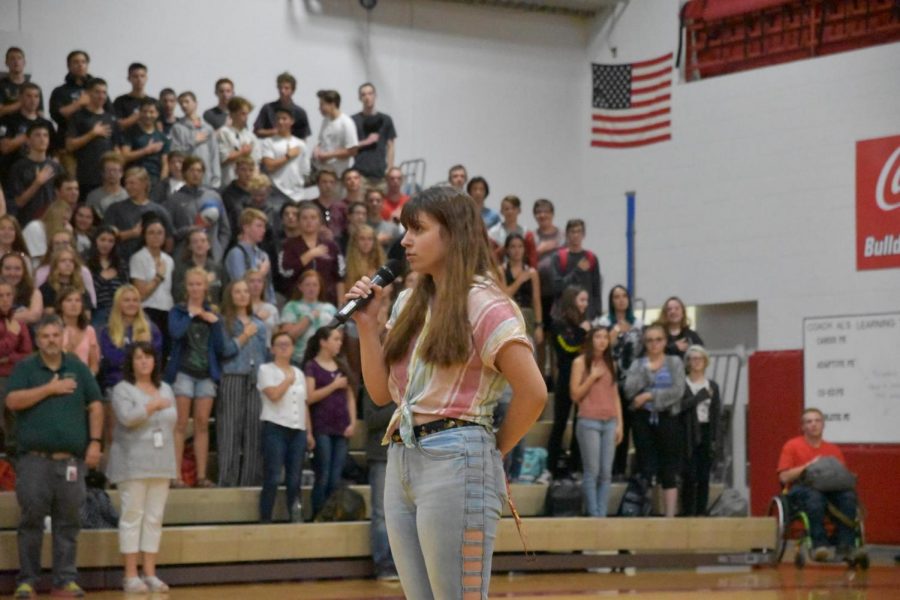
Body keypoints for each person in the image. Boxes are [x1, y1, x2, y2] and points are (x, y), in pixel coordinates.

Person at [345, 185, 545, 599]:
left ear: (452, 234)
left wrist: (491, 451)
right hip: (402, 456)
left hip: (457, 457)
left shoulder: (487, 304)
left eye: (417, 228)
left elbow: (534, 393)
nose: (404, 240)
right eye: (405, 229)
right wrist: (367, 327)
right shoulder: (407, 304)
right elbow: (382, 394)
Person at [6, 314, 104, 600]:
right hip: (34, 460)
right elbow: (12, 401)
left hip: (72, 461)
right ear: (37, 340)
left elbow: (96, 405)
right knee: (31, 521)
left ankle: (64, 580)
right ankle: (27, 581)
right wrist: (50, 388)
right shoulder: (26, 368)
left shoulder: (77, 367)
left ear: (63, 336)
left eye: (55, 335)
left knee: (69, 522)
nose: (51, 340)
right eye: (45, 336)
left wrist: (95, 443)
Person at [106, 341, 177, 594]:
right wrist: (151, 406)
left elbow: (172, 421)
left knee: (154, 517)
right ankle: (130, 575)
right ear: (131, 363)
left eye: (148, 357)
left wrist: (156, 407)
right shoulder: (122, 389)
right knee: (132, 516)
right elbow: (127, 418)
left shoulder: (166, 388)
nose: (144, 361)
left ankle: (149, 573)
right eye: (138, 358)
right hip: (132, 463)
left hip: (161, 462)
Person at [165, 267, 232, 488]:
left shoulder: (214, 314)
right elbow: (175, 333)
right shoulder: (178, 311)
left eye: (198, 284)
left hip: (206, 374)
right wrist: (193, 314)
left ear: (205, 287)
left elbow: (221, 348)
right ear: (186, 287)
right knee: (181, 424)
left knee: (202, 424)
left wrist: (215, 324)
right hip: (183, 371)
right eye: (191, 284)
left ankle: (202, 476)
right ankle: (175, 475)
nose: (195, 288)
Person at [777, 408, 863, 562]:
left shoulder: (833, 449)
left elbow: (841, 477)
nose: (813, 425)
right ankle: (819, 545)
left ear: (823, 425)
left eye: (817, 421)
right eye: (809, 422)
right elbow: (784, 477)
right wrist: (808, 466)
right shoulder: (792, 445)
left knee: (848, 497)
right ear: (803, 427)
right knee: (815, 497)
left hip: (830, 489)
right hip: (801, 489)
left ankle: (846, 545)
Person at [623, 323, 685, 517]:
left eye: (658, 339)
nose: (654, 344)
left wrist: (649, 396)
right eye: (649, 340)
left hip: (668, 419)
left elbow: (678, 391)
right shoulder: (637, 364)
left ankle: (669, 517)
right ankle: (643, 512)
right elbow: (629, 390)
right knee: (646, 467)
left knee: (669, 469)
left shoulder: (674, 362)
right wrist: (646, 372)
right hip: (643, 420)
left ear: (665, 341)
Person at [257, 329, 313, 523]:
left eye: (287, 345)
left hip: (298, 430)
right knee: (272, 476)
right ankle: (265, 518)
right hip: (275, 428)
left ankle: (295, 516)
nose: (284, 348)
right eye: (280, 345)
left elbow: (304, 403)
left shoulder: (299, 372)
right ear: (273, 349)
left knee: (294, 477)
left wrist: (309, 432)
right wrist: (287, 381)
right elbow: (273, 395)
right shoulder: (266, 370)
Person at [217, 280, 268, 487]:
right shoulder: (224, 322)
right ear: (230, 295)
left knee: (254, 431)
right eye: (237, 291)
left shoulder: (260, 324)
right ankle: (227, 482)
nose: (242, 295)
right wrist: (244, 336)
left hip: (256, 379)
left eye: (246, 291)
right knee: (230, 429)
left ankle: (250, 481)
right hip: (233, 376)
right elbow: (225, 351)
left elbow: (264, 354)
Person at [303, 326, 356, 517]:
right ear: (323, 342)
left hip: (341, 426)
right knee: (323, 475)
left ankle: (332, 513)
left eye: (340, 340)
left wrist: (352, 422)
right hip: (322, 426)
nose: (339, 343)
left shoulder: (342, 365)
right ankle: (318, 513)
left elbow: (350, 397)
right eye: (335, 339)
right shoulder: (312, 366)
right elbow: (309, 397)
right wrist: (333, 386)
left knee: (335, 476)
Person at [571, 327, 623, 517]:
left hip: (609, 421)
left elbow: (615, 394)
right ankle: (594, 517)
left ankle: (602, 515)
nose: (602, 341)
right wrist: (592, 377)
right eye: (598, 337)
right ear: (590, 339)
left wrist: (620, 424)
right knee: (591, 471)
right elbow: (575, 394)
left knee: (606, 473)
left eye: (605, 337)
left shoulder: (611, 363)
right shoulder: (580, 362)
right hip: (588, 421)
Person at [594, 284, 644, 478]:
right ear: (611, 300)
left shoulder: (638, 323)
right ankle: (609, 470)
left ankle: (622, 469)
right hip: (610, 379)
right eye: (616, 296)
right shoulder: (604, 321)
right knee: (612, 423)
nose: (621, 300)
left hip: (633, 381)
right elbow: (600, 348)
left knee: (630, 424)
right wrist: (612, 335)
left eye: (624, 296)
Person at [546, 286, 589, 477]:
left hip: (583, 378)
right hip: (565, 377)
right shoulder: (558, 324)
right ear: (572, 300)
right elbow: (567, 349)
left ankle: (575, 466)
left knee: (581, 422)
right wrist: (581, 331)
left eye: (586, 301)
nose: (585, 305)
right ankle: (551, 466)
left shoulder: (583, 323)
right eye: (581, 300)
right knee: (560, 422)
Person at [49, 50, 112, 173]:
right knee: (72, 186)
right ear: (69, 66)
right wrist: (78, 104)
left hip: (96, 147)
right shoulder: (60, 91)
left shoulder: (98, 89)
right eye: (76, 62)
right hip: (69, 147)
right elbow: (56, 115)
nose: (80, 65)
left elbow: (109, 113)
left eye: (83, 62)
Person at [98, 284, 163, 397]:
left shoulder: (151, 329)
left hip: (146, 384)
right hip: (117, 383)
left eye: (135, 300)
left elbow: (156, 360)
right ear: (118, 304)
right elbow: (113, 360)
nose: (132, 304)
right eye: (126, 300)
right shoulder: (107, 331)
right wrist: (139, 345)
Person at [680, 345, 720, 517]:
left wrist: (715, 438)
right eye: (693, 359)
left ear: (705, 362)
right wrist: (700, 396)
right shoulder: (682, 384)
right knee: (689, 475)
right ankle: (688, 512)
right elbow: (679, 407)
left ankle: (701, 512)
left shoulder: (712, 386)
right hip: (686, 432)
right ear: (688, 362)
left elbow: (716, 413)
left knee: (704, 476)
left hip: (705, 430)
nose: (696, 362)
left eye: (700, 358)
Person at [277, 200, 343, 304]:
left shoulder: (331, 246)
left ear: (320, 221)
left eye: (313, 218)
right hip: (297, 302)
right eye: (304, 218)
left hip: (327, 303)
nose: (309, 221)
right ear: (298, 221)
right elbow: (285, 272)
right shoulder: (288, 245)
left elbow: (340, 276)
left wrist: (340, 304)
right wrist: (310, 255)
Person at [166, 156, 231, 262]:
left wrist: (219, 250)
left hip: (212, 258)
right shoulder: (174, 200)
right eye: (191, 170)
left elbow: (225, 229)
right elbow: (170, 232)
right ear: (184, 173)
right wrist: (189, 229)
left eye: (199, 171)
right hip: (185, 258)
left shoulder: (214, 196)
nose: (196, 174)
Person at [64, 78, 119, 197]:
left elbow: (116, 149)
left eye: (104, 92)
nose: (101, 96)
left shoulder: (111, 118)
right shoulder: (78, 116)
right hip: (86, 177)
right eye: (97, 92)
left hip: (108, 179)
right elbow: (69, 146)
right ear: (88, 93)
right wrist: (92, 134)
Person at [104, 166, 174, 258]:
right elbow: (105, 236)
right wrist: (131, 233)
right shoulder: (115, 209)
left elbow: (169, 240)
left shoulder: (159, 211)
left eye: (132, 183)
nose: (128, 187)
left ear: (144, 184)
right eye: (126, 183)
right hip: (121, 262)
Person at [129, 216, 174, 356]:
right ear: (145, 235)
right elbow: (141, 294)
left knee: (165, 352)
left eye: (159, 232)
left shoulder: (169, 260)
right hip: (148, 311)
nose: (156, 236)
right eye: (151, 232)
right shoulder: (138, 258)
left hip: (167, 311)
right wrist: (159, 277)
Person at [5, 121, 62, 223]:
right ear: (28, 140)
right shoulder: (18, 167)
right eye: (37, 135)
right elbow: (17, 202)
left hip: (51, 222)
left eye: (45, 135)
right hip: (27, 222)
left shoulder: (56, 167)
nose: (42, 139)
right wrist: (37, 183)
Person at [0, 279, 32, 454]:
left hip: (15, 376)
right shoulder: (14, 327)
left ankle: (13, 459)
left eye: (8, 295)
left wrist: (9, 357)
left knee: (15, 419)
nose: (5, 299)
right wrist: (12, 335)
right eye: (1, 296)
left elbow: (27, 354)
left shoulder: (18, 322)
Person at [280, 270, 337, 364]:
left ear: (320, 287)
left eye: (315, 285)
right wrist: (308, 318)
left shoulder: (330, 308)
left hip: (326, 360)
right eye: (307, 285)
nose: (311, 288)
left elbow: (338, 336)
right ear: (300, 287)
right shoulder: (291, 307)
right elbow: (288, 336)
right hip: (299, 359)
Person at [551, 219, 603, 321]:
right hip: (564, 315)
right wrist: (577, 271)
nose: (575, 235)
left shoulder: (591, 258)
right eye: (572, 232)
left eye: (579, 231)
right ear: (566, 234)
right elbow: (557, 287)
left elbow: (596, 288)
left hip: (587, 314)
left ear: (583, 235)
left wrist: (598, 312)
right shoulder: (559, 257)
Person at [171, 92, 221, 188]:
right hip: (185, 179)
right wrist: (193, 141)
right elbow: (175, 154)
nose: (184, 105)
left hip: (207, 179)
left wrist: (216, 179)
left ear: (195, 103)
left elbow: (214, 155)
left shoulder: (207, 128)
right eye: (181, 103)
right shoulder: (177, 128)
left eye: (187, 102)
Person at [225, 207, 275, 303]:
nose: (263, 230)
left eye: (264, 227)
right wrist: (261, 273)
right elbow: (240, 284)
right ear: (246, 227)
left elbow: (269, 285)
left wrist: (272, 304)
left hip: (264, 304)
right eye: (259, 226)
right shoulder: (237, 253)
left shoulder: (263, 254)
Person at [351, 83, 397, 187]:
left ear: (375, 96)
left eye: (370, 93)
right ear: (359, 98)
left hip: (381, 175)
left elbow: (391, 146)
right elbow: (349, 147)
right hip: (361, 174)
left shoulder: (386, 119)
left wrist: (390, 169)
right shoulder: (354, 120)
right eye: (364, 95)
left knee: (380, 203)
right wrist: (366, 142)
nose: (367, 97)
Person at [501, 233, 542, 345]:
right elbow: (505, 295)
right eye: (513, 247)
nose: (517, 250)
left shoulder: (532, 272)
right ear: (507, 249)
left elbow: (536, 300)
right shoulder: (501, 270)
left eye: (520, 246)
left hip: (527, 316)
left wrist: (539, 325)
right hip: (508, 316)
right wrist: (519, 280)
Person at [120, 97, 170, 186]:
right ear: (139, 112)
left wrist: (162, 184)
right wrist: (146, 150)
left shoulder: (162, 137)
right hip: (134, 179)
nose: (147, 115)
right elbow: (124, 156)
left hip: (155, 180)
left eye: (151, 112)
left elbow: (165, 164)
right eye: (144, 111)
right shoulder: (130, 132)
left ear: (157, 114)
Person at [86, 225, 127, 328]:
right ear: (95, 241)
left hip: (119, 311)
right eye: (102, 240)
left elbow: (125, 289)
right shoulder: (87, 262)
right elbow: (86, 293)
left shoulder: (120, 264)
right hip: (97, 311)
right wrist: (102, 278)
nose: (106, 244)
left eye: (110, 241)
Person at [172, 228, 225, 305]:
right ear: (189, 246)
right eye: (195, 242)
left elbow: (224, 295)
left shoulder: (218, 269)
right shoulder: (180, 269)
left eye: (203, 241)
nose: (199, 244)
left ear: (209, 245)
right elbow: (177, 295)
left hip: (214, 313)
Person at [313, 90, 358, 179]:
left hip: (340, 174)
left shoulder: (346, 122)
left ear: (333, 104)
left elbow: (353, 150)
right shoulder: (326, 121)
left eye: (322, 105)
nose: (320, 108)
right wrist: (316, 149)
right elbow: (321, 141)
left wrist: (329, 155)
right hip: (324, 173)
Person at [253, 72, 311, 141]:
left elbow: (303, 137)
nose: (282, 91)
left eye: (286, 88)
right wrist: (274, 132)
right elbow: (257, 131)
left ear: (293, 90)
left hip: (293, 149)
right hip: (270, 148)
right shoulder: (268, 108)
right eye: (280, 87)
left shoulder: (300, 112)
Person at [217, 96, 260, 187]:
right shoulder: (223, 133)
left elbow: (256, 162)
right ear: (232, 114)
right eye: (242, 114)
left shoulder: (251, 136)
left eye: (247, 114)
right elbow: (223, 158)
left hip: (249, 185)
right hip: (229, 183)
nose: (246, 117)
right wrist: (242, 152)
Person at [58, 288, 99, 375]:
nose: (74, 304)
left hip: (85, 378)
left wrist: (88, 379)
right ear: (61, 305)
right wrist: (66, 351)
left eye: (78, 301)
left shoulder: (89, 330)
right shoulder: (55, 330)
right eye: (69, 300)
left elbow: (94, 365)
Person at [39, 248, 93, 314]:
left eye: (71, 261)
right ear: (55, 265)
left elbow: (87, 314)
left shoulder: (81, 287)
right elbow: (49, 313)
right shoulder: (46, 288)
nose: (68, 264)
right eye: (63, 261)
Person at [488, 195, 537, 265]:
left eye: (513, 208)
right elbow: (489, 258)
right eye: (506, 209)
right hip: (499, 272)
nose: (510, 212)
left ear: (519, 210)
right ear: (501, 211)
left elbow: (532, 258)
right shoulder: (492, 234)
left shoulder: (527, 234)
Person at [0, 47, 43, 119]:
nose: (16, 61)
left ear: (24, 62)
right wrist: (21, 103)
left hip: (30, 126)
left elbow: (40, 113)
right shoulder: (1, 85)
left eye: (19, 58)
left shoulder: (33, 88)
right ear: (6, 63)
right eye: (12, 58)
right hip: (6, 127)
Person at [1, 251, 42, 324]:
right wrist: (24, 314)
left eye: (17, 269)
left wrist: (3, 318)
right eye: (7, 268)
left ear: (24, 271)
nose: (12, 273)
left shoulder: (33, 292)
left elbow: (34, 316)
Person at [311, 169, 347, 243]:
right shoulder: (310, 206)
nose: (328, 186)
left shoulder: (342, 207)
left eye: (331, 182)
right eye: (324, 182)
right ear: (318, 184)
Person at [111, 63, 150, 132]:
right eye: (135, 76)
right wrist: (137, 116)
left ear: (146, 78)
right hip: (126, 141)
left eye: (142, 76)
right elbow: (117, 125)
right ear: (129, 78)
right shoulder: (120, 101)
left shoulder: (153, 102)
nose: (139, 79)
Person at [365, 188, 403, 252]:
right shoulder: (360, 227)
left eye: (378, 201)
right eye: (371, 201)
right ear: (366, 203)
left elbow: (398, 253)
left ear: (383, 203)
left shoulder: (393, 228)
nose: (374, 203)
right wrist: (377, 241)